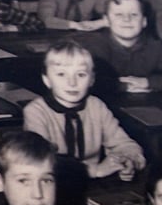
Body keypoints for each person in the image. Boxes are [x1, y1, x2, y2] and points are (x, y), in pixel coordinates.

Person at [24, 40, 145, 180]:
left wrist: (128, 159)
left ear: (92, 79)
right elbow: (42, 162)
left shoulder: (96, 106)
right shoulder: (35, 112)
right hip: (53, 183)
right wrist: (94, 171)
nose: (72, 83)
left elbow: (123, 143)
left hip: (93, 183)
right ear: (47, 80)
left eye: (81, 75)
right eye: (61, 74)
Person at [83, 0, 162, 94]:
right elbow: (87, 82)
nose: (127, 19)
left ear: (144, 22)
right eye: (119, 14)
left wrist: (146, 82)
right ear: (107, 21)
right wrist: (124, 86)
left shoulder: (154, 47)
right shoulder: (95, 46)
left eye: (134, 14)